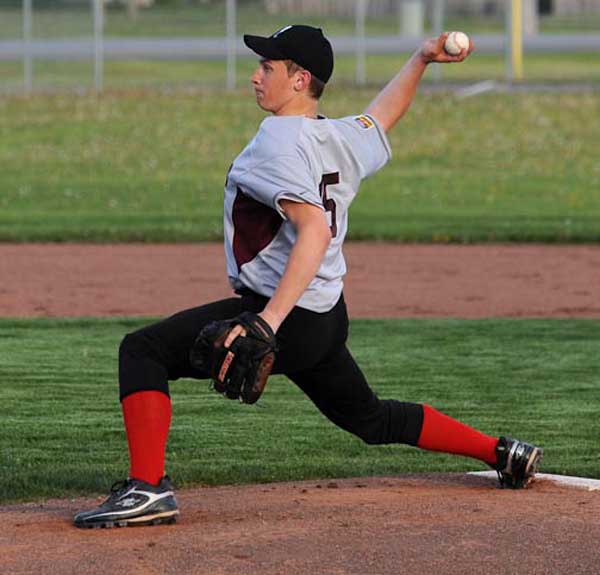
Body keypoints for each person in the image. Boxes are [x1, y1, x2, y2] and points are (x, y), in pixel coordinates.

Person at [74, 25, 542, 529]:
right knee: (370, 417)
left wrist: (267, 322)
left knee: (142, 351)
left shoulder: (278, 144)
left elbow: (313, 231)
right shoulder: (337, 136)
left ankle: (147, 489)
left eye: (267, 68)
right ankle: (502, 452)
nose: (255, 77)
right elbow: (383, 116)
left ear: (300, 80)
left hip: (286, 314)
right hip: (324, 315)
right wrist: (421, 59)